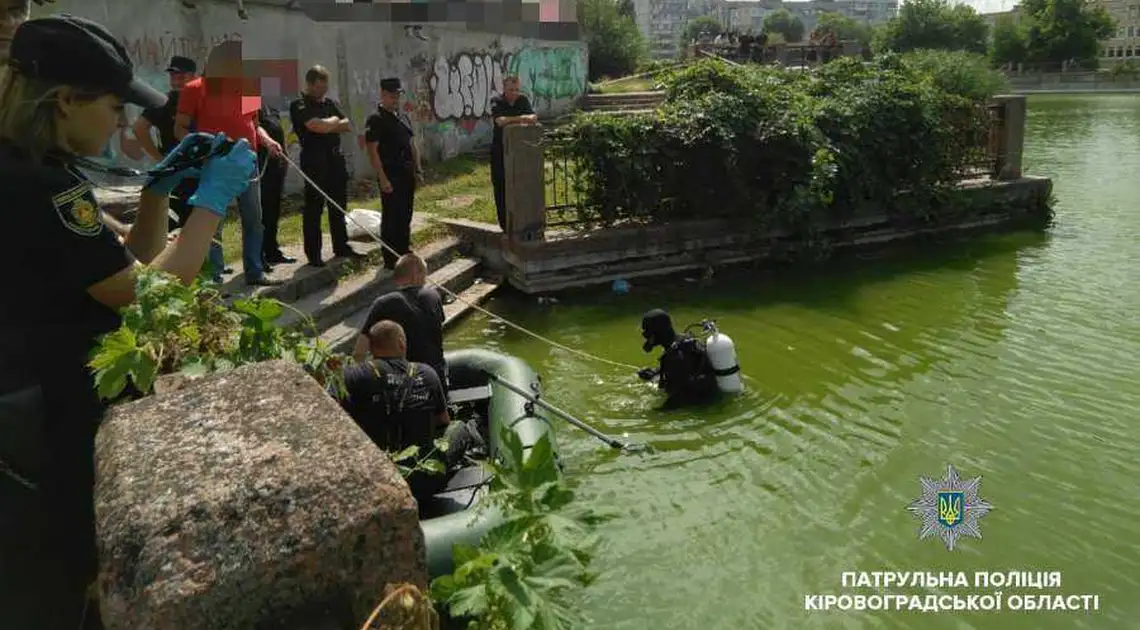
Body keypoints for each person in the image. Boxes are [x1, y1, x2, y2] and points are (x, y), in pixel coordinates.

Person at [0, 14, 256, 630]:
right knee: (61, 576)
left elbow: (127, 257)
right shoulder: (39, 187)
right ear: (65, 101)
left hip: (41, 396)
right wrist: (212, 204)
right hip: (40, 411)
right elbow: (146, 294)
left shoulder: (39, 169)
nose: (121, 124)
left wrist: (157, 192)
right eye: (113, 108)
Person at [174, 39, 283, 286]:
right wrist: (202, 152)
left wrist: (267, 141)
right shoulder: (194, 88)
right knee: (214, 220)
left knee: (254, 219)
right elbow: (180, 128)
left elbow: (254, 126)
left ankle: (254, 271)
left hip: (248, 162)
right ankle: (214, 276)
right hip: (215, 163)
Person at [341, 320, 450, 497]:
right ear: (401, 343)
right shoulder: (427, 373)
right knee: (460, 430)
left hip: (377, 480)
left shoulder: (352, 375)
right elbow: (443, 421)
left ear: (371, 348)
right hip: (424, 480)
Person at [288, 64, 360, 268]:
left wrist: (330, 123)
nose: (322, 91)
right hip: (314, 161)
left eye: (325, 87)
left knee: (338, 206)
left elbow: (347, 125)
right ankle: (314, 254)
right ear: (310, 85)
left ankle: (341, 245)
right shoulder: (299, 104)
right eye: (319, 87)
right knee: (314, 209)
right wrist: (333, 122)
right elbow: (314, 126)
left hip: (335, 160)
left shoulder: (329, 103)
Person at [352, 252, 446, 385]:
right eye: (425, 275)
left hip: (402, 383)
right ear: (415, 276)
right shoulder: (434, 296)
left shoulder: (383, 304)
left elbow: (359, 352)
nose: (425, 281)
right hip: (437, 377)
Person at [134, 55, 199, 230]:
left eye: (181, 77)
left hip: (201, 166)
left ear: (194, 76)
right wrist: (160, 159)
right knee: (181, 222)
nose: (176, 81)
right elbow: (139, 129)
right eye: (173, 77)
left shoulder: (202, 98)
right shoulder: (164, 102)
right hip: (178, 169)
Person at [364, 77, 423, 270]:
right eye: (391, 96)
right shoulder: (376, 119)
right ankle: (390, 257)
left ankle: (403, 248)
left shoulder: (402, 117)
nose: (395, 99)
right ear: (382, 94)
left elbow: (412, 144)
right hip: (390, 173)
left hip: (406, 172)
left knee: (405, 213)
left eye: (397, 95)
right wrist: (382, 177)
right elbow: (372, 150)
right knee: (391, 216)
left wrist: (418, 169)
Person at [637, 309, 719, 407]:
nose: (645, 336)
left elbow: (680, 396)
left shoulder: (676, 356)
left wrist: (657, 415)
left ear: (657, 332)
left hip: (701, 407)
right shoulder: (682, 341)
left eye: (647, 332)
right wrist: (655, 372)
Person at [489, 75, 537, 231]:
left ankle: (522, 222)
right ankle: (505, 224)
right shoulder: (496, 100)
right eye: (511, 90)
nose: (514, 93)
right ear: (504, 88)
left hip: (520, 151)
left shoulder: (522, 100)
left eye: (517, 89)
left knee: (521, 184)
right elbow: (500, 121)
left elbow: (533, 118)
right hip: (499, 150)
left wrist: (514, 119)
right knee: (501, 186)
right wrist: (521, 118)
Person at [257, 101, 294, 266]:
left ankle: (272, 251)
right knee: (261, 213)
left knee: (273, 210)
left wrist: (285, 155)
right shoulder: (247, 105)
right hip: (260, 166)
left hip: (276, 166)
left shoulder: (271, 108)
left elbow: (280, 133)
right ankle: (259, 255)